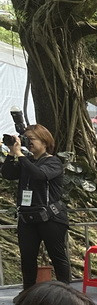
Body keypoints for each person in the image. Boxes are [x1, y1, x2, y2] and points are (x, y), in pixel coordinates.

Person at [1, 123, 70, 288]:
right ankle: (28, 293)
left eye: (31, 139)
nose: (28, 142)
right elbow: (8, 174)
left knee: (57, 256)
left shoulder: (53, 162)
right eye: (26, 139)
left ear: (45, 142)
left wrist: (20, 155)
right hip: (27, 217)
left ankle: (65, 293)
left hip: (50, 218)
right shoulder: (28, 161)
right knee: (27, 257)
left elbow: (39, 175)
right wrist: (12, 153)